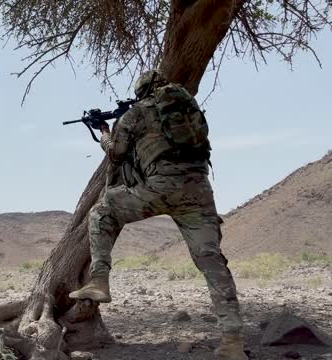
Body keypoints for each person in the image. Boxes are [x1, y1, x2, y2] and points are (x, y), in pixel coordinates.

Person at [69, 70, 248, 360]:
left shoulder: (137, 112)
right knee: (212, 263)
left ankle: (100, 280)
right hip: (200, 193)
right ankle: (233, 341)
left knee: (101, 212)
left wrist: (103, 131)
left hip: (160, 188)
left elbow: (115, 153)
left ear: (143, 92)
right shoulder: (190, 111)